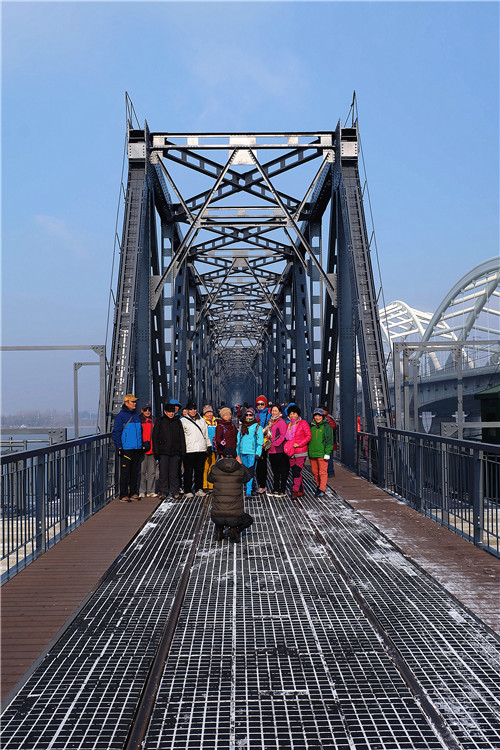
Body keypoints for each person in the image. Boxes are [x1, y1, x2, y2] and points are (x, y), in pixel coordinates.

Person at [208, 447, 254, 543]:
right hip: (235, 517)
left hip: (217, 516)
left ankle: (219, 531)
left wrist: (217, 464)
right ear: (236, 457)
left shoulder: (215, 469)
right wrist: (241, 464)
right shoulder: (240, 470)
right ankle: (234, 530)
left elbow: (209, 479)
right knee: (248, 520)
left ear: (221, 457)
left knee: (221, 510)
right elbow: (248, 477)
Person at [111, 393, 143, 503]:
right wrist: (120, 446)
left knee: (134, 472)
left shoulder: (136, 415)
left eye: (135, 402)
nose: (135, 403)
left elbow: (139, 432)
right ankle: (123, 494)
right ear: (126, 403)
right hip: (127, 448)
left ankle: (133, 493)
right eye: (132, 402)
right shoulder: (121, 416)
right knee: (125, 472)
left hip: (136, 448)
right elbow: (116, 433)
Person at [152, 402, 186, 500]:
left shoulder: (177, 422)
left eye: (172, 412)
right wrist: (156, 451)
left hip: (175, 451)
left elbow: (181, 437)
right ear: (165, 412)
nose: (171, 414)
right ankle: (163, 491)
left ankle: (174, 491)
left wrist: (182, 451)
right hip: (163, 451)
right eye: (169, 412)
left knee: (174, 472)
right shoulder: (160, 421)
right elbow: (155, 437)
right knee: (163, 472)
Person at [181, 401, 212, 498]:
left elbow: (205, 434)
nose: (193, 411)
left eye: (194, 409)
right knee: (188, 471)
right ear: (187, 410)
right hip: (189, 449)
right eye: (191, 409)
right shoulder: (183, 421)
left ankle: (199, 489)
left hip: (201, 449)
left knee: (199, 470)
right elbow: (181, 436)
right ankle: (188, 490)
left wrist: (208, 445)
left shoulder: (201, 420)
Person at [284, 405, 311, 499]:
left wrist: (299, 444)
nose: (292, 415)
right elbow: (286, 438)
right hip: (291, 452)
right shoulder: (288, 425)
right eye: (290, 414)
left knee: (296, 470)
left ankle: (294, 490)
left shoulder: (303, 423)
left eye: (294, 413)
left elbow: (308, 436)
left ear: (298, 414)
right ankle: (300, 490)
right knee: (296, 472)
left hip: (301, 451)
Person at [236, 407, 263, 497]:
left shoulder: (257, 427)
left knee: (250, 471)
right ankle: (251, 487)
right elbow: (238, 441)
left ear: (253, 415)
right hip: (243, 451)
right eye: (246, 415)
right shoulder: (242, 426)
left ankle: (248, 490)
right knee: (245, 471)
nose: (248, 416)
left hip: (252, 452)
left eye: (250, 415)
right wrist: (238, 453)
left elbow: (260, 441)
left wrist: (258, 453)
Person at [308, 408, 334, 497]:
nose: (317, 417)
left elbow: (330, 440)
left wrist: (327, 452)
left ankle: (322, 489)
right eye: (316, 415)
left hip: (322, 453)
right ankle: (318, 486)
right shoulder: (311, 426)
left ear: (322, 416)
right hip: (312, 453)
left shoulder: (326, 426)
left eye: (319, 416)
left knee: (322, 472)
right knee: (315, 472)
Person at [265, 404, 289, 496]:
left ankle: (282, 489)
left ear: (279, 412)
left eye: (276, 411)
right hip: (271, 450)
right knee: (275, 471)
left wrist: (274, 444)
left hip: (279, 450)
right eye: (272, 411)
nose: (274, 412)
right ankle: (275, 488)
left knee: (281, 470)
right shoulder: (271, 422)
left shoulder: (281, 422)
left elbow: (283, 435)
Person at [139, 403, 157, 498]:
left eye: (149, 410)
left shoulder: (154, 420)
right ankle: (142, 490)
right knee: (141, 471)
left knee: (152, 472)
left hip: (152, 449)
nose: (147, 412)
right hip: (142, 450)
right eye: (145, 410)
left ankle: (151, 491)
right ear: (142, 411)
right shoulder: (138, 420)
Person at [255, 396, 272, 493]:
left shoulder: (269, 414)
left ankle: (262, 485)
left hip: (263, 443)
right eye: (258, 404)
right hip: (254, 442)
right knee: (255, 463)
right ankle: (256, 483)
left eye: (262, 404)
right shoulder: (253, 414)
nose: (260, 406)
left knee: (262, 463)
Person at [202, 405, 217, 490]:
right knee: (205, 467)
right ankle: (204, 484)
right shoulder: (203, 422)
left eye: (210, 412)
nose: (209, 414)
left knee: (213, 466)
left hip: (214, 448)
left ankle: (211, 484)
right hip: (206, 448)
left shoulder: (215, 422)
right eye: (207, 412)